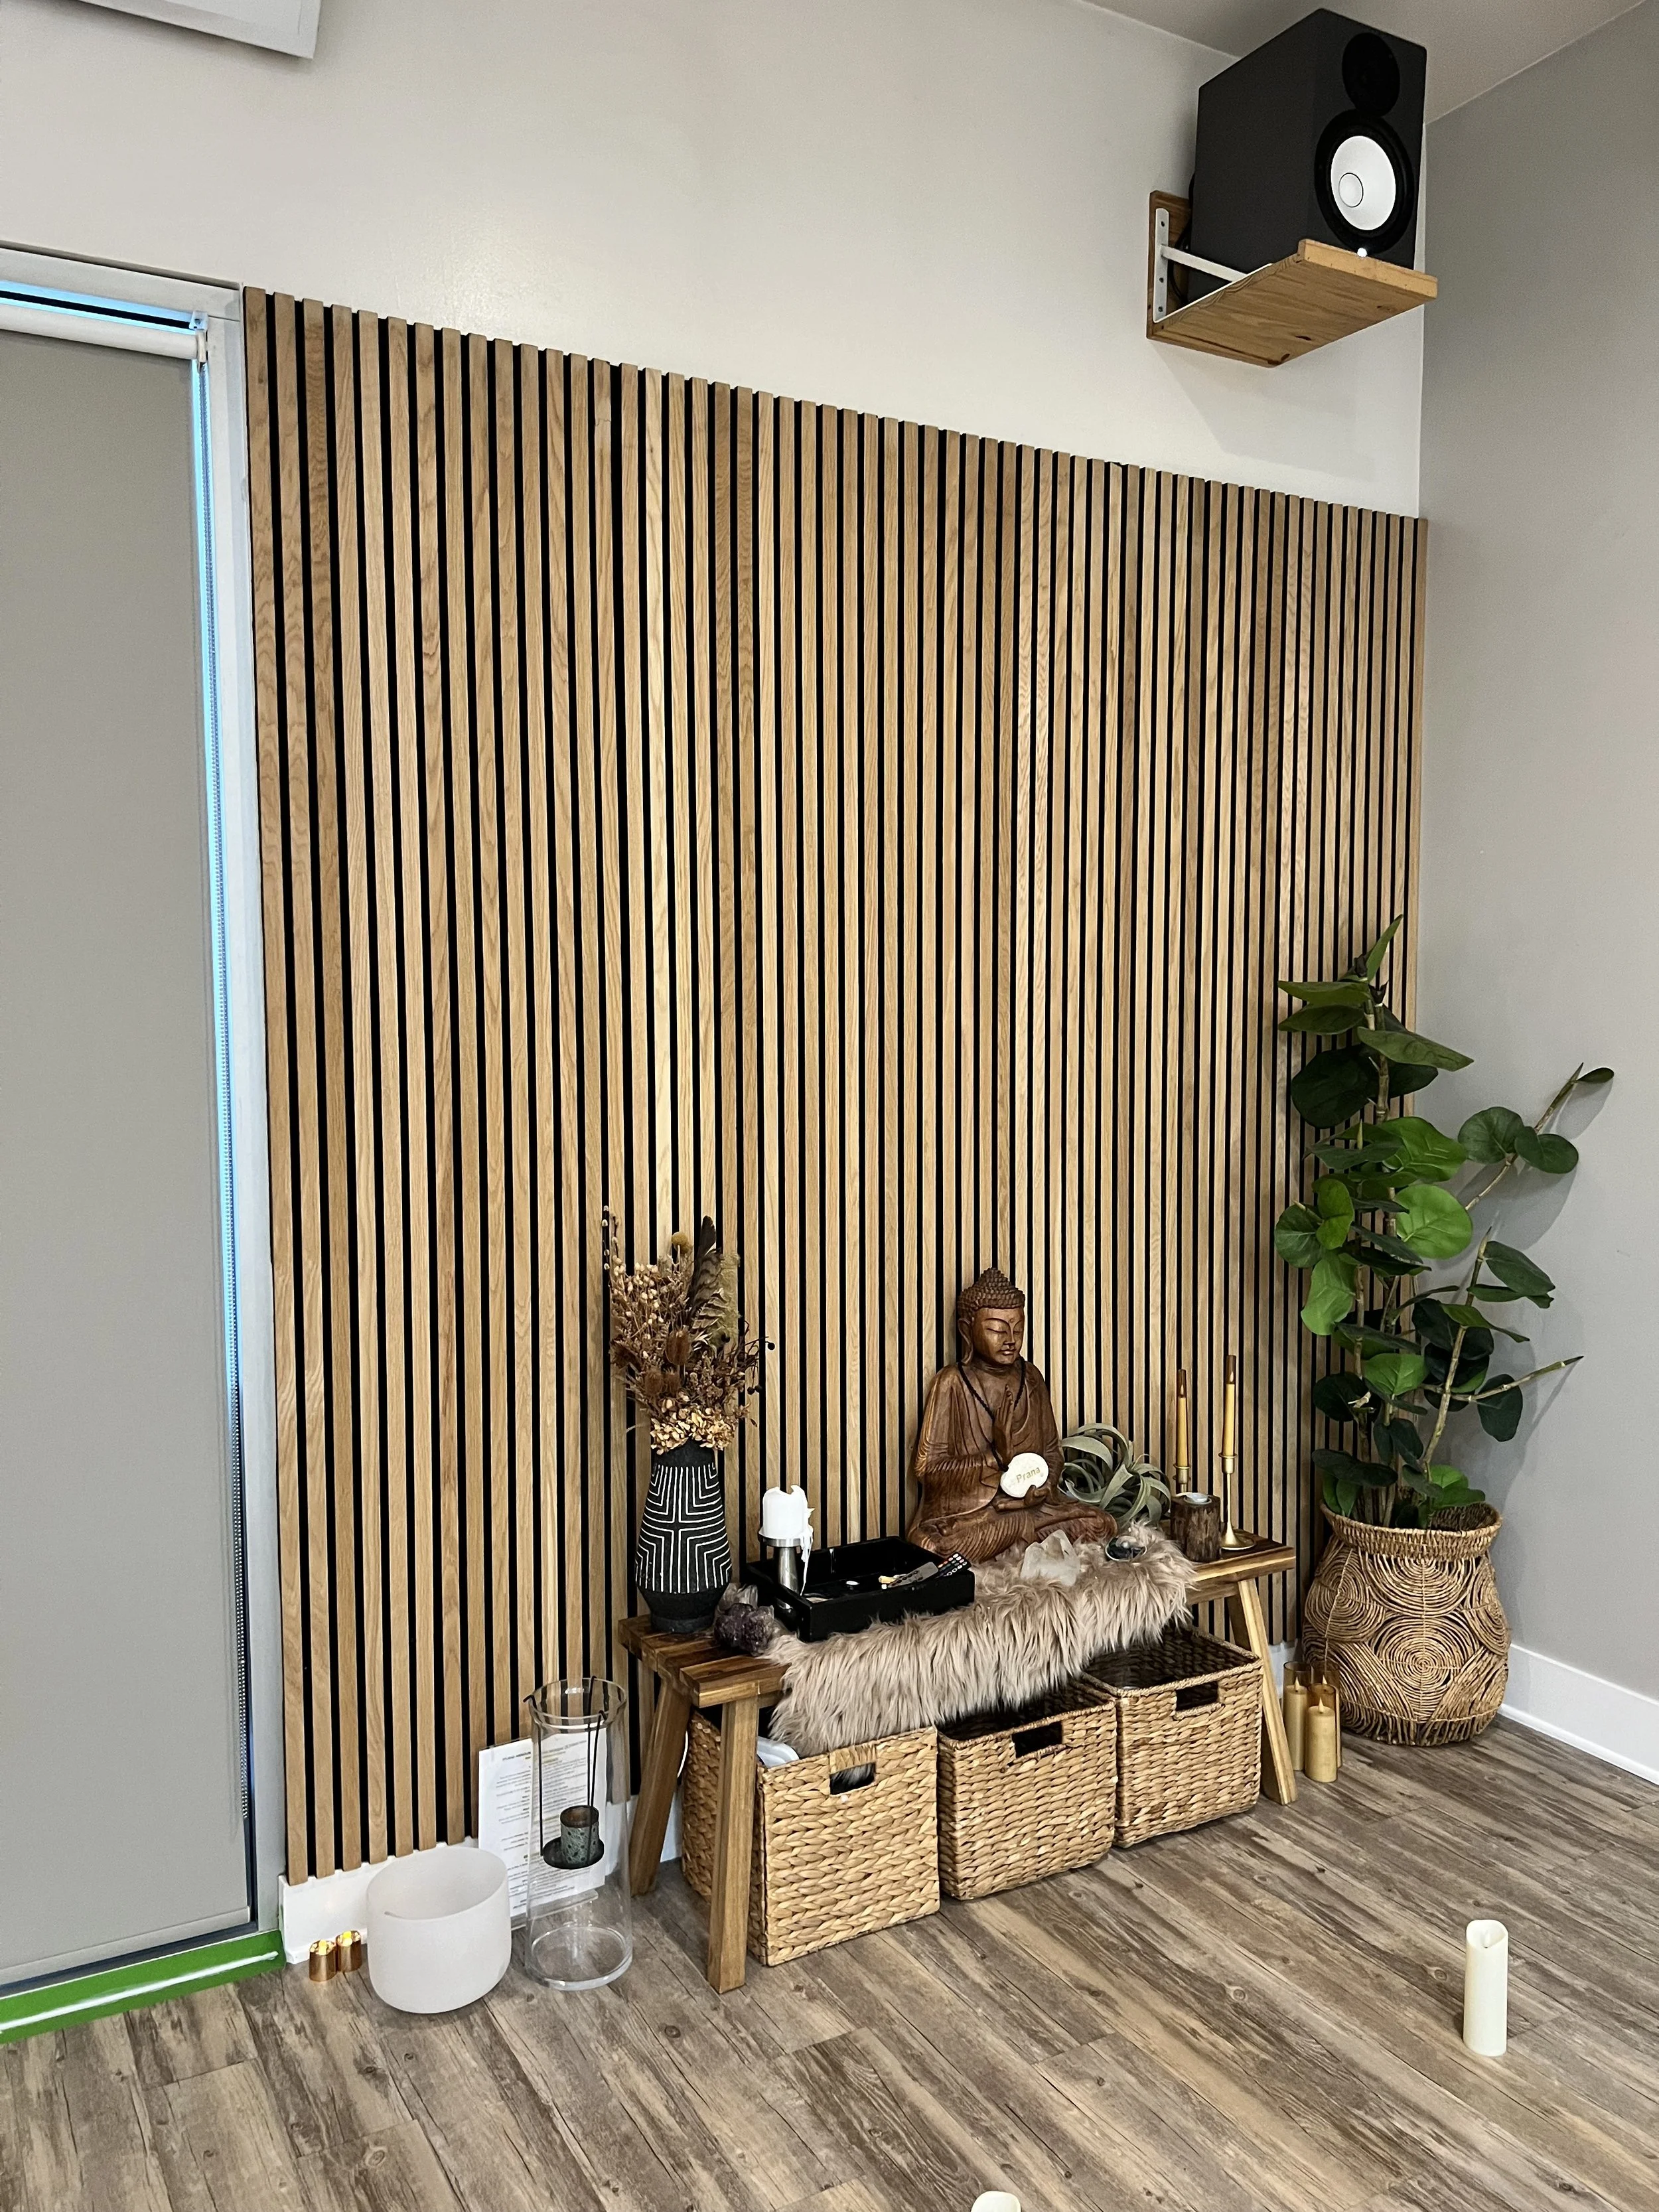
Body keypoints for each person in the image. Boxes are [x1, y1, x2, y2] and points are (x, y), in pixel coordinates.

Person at [906, 1267, 1116, 1563]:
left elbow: (1052, 1453)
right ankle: (1020, 1539)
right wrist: (996, 1457)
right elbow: (928, 1469)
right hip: (975, 1516)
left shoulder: (1031, 1378)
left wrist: (1043, 1488)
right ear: (967, 1330)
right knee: (933, 1547)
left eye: (1017, 1329)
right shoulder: (952, 1383)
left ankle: (1017, 1537)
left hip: (1032, 1509)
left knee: (1100, 1523)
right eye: (996, 1330)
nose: (1010, 1340)